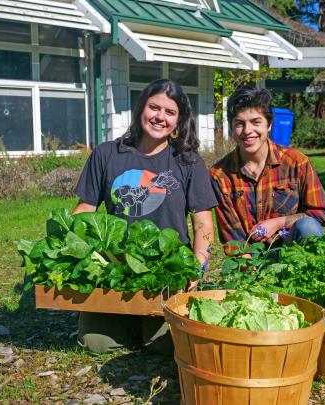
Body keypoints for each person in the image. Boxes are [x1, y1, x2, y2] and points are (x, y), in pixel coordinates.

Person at [73, 79, 217, 354]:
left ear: (179, 120)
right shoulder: (106, 154)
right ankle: (124, 318)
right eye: (154, 107)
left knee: (164, 346)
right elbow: (84, 211)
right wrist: (67, 250)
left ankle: (141, 322)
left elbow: (203, 223)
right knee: (95, 343)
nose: (160, 117)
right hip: (116, 268)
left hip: (165, 272)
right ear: (141, 108)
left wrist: (197, 268)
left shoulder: (189, 162)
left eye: (170, 112)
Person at [210, 86, 325, 250]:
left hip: (294, 254)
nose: (248, 131)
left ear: (269, 125)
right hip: (252, 260)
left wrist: (278, 223)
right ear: (232, 128)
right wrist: (251, 273)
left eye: (256, 122)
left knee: (307, 227)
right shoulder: (219, 175)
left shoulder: (296, 162)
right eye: (239, 123)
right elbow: (232, 240)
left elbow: (322, 213)